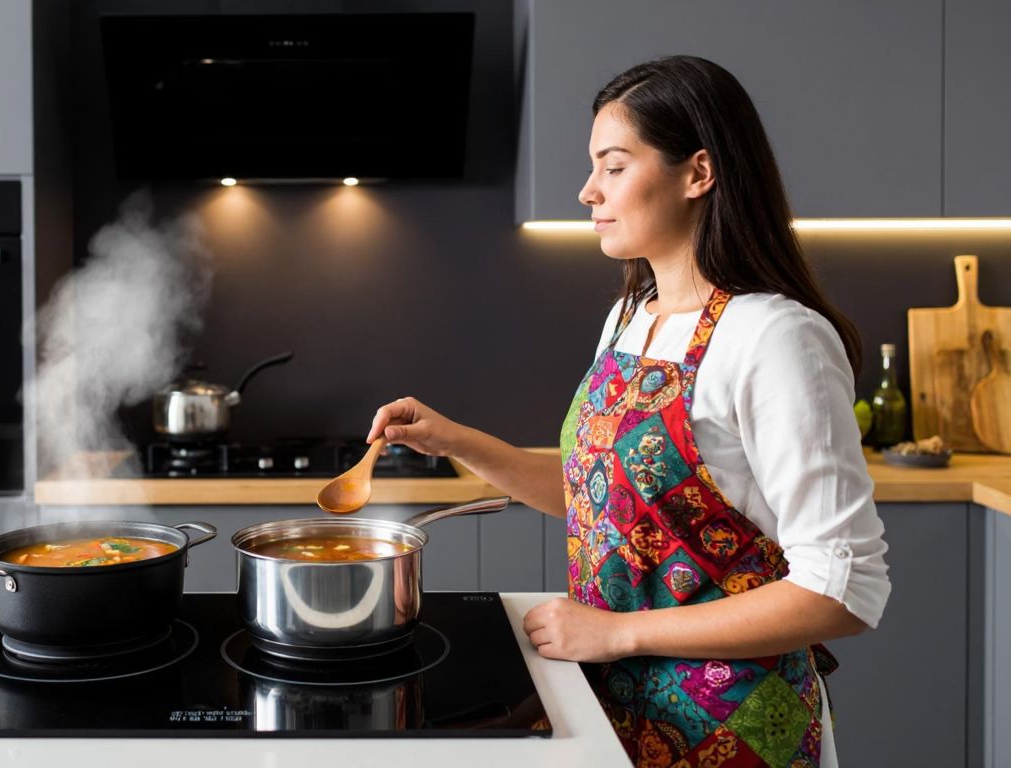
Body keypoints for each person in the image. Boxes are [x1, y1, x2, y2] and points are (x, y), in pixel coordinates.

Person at [366, 56, 890, 767]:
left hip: (732, 726)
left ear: (698, 173)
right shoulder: (629, 318)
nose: (587, 191)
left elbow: (842, 590)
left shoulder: (775, 336)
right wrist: (456, 440)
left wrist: (617, 635)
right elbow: (599, 499)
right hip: (612, 707)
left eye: (613, 166)